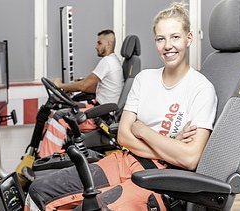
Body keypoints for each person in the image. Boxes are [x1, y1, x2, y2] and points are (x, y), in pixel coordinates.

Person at [26, 1, 218, 210]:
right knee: (38, 191)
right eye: (161, 39)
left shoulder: (202, 89)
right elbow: (124, 136)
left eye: (175, 37)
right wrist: (171, 145)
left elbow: (189, 159)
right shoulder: (144, 79)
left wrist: (142, 130)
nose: (168, 45)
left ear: (189, 38)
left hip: (160, 179)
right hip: (123, 160)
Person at [38, 29, 124, 157]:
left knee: (59, 118)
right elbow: (91, 88)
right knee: (59, 111)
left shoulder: (108, 62)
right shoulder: (114, 61)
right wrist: (68, 88)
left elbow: (84, 85)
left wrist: (60, 85)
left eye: (99, 43)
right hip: (99, 108)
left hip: (100, 115)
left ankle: (46, 158)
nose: (96, 46)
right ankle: (55, 148)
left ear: (109, 44)